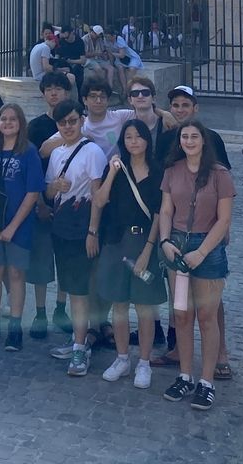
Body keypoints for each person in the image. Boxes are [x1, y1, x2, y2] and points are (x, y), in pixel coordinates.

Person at [153, 86, 232, 377]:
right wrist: (163, 237)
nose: (180, 109)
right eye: (175, 105)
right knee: (181, 305)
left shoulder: (213, 141)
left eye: (186, 104)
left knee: (211, 305)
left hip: (207, 238)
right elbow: (165, 197)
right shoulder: (166, 142)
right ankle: (179, 354)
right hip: (176, 238)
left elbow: (224, 194)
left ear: (195, 108)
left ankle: (220, 354)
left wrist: (225, 230)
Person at [92, 119, 166, 389]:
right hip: (115, 242)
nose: (133, 142)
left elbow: (160, 214)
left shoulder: (158, 172)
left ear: (147, 140)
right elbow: (99, 201)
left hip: (143, 242)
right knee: (119, 304)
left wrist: (149, 248)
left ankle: (144, 362)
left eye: (138, 136)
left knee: (145, 307)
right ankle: (122, 358)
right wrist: (112, 172)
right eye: (128, 137)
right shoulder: (117, 169)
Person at [44, 98, 108, 376]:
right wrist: (55, 186)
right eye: (62, 123)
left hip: (83, 229)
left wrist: (93, 231)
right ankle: (77, 340)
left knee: (80, 291)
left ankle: (81, 348)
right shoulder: (57, 152)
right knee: (71, 287)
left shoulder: (93, 151)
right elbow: (48, 194)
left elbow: (97, 196)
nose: (68, 126)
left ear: (81, 119)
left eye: (72, 120)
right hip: (62, 228)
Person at [0, 103, 45, 351]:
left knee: (16, 274)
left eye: (12, 119)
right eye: (3, 119)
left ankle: (15, 328)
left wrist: (13, 227)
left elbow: (33, 192)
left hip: (19, 224)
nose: (7, 123)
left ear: (20, 123)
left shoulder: (28, 152)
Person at [26, 70, 75, 339]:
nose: (54, 92)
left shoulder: (78, 123)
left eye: (59, 88)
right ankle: (41, 311)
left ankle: (60, 308)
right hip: (44, 203)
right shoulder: (35, 127)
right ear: (43, 93)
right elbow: (31, 166)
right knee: (42, 260)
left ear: (67, 92)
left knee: (66, 260)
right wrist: (39, 203)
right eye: (49, 88)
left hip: (71, 205)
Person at [51, 24, 86, 95]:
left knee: (78, 79)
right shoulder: (62, 40)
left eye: (67, 37)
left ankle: (80, 99)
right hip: (63, 64)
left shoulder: (80, 42)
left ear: (72, 33)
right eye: (64, 38)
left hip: (75, 64)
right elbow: (57, 55)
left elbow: (82, 60)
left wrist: (70, 61)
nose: (66, 39)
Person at [111, 24, 144, 98]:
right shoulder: (106, 41)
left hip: (130, 57)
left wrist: (111, 53)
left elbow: (122, 54)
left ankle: (129, 89)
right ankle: (124, 89)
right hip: (119, 59)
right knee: (120, 68)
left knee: (132, 69)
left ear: (113, 35)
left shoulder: (119, 39)